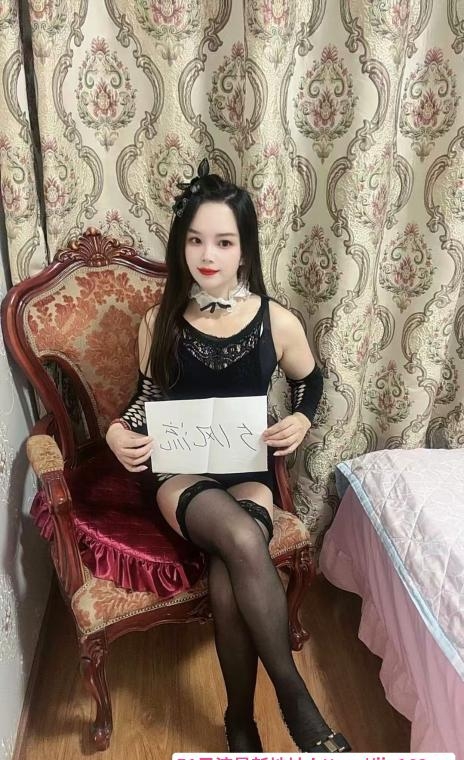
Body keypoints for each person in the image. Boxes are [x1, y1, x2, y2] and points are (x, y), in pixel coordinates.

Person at [106, 159, 350, 753]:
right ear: (181, 245)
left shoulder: (276, 320)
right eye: (195, 240)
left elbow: (311, 381)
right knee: (241, 538)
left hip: (247, 471)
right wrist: (116, 431)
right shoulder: (159, 321)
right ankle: (296, 701)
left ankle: (240, 723)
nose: (207, 255)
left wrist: (301, 418)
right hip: (181, 472)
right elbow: (145, 400)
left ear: (245, 250)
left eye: (223, 241)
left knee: (227, 569)